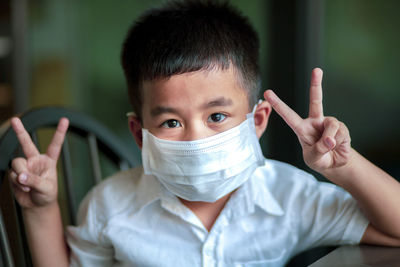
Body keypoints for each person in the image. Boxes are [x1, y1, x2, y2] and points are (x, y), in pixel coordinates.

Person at [8, 0, 400, 266]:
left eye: (216, 117)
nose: (196, 141)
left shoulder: (287, 197)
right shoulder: (110, 207)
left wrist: (342, 168)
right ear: (140, 133)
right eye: (172, 122)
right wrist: (41, 209)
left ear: (257, 121)